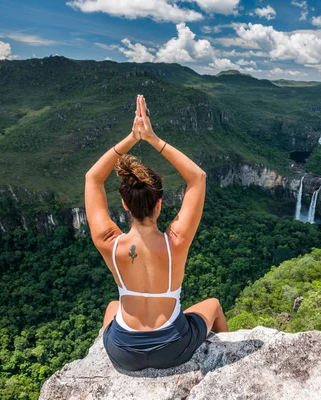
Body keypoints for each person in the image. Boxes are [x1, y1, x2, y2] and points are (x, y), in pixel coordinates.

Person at [84, 94, 228, 371]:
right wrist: (151, 138)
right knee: (213, 304)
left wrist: (131, 137)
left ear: (125, 204)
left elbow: (93, 178)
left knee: (113, 306)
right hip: (174, 349)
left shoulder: (108, 244)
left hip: (123, 352)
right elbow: (197, 177)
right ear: (160, 204)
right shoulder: (176, 242)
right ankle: (222, 358)